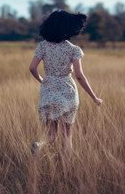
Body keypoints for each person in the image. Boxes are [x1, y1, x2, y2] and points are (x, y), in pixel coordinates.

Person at [29, 10, 103, 156]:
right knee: (66, 136)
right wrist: (94, 97)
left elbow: (32, 68)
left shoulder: (43, 46)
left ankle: (39, 144)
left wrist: (41, 80)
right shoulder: (73, 50)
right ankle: (66, 170)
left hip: (48, 92)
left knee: (50, 135)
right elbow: (80, 76)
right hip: (67, 93)